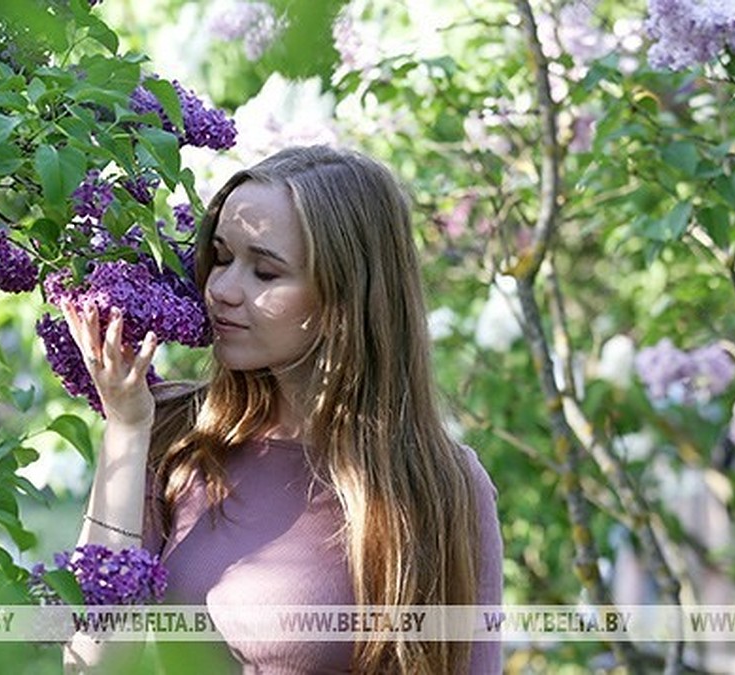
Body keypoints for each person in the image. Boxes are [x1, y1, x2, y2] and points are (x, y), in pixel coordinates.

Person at [61, 145, 502, 673]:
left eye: (265, 273)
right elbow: (92, 663)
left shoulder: (439, 485)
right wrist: (127, 430)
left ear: (346, 296)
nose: (220, 289)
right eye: (222, 257)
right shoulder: (176, 435)